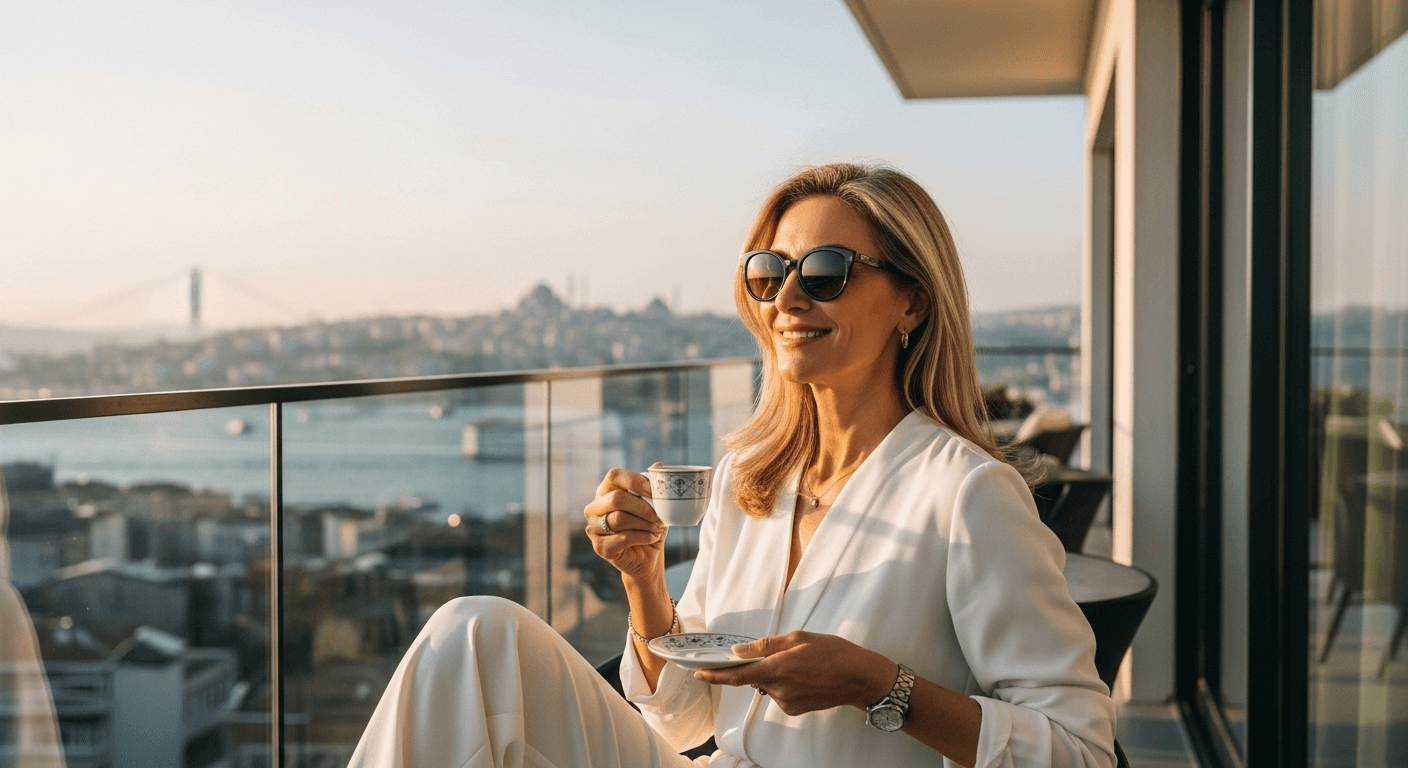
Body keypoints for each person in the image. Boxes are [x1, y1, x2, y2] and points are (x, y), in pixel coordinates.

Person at [347, 163, 1116, 768]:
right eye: (767, 271)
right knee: (473, 632)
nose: (786, 296)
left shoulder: (967, 494)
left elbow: (1080, 750)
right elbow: (685, 718)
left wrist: (878, 686)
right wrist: (645, 578)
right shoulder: (754, 480)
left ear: (911, 302)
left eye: (824, 272)